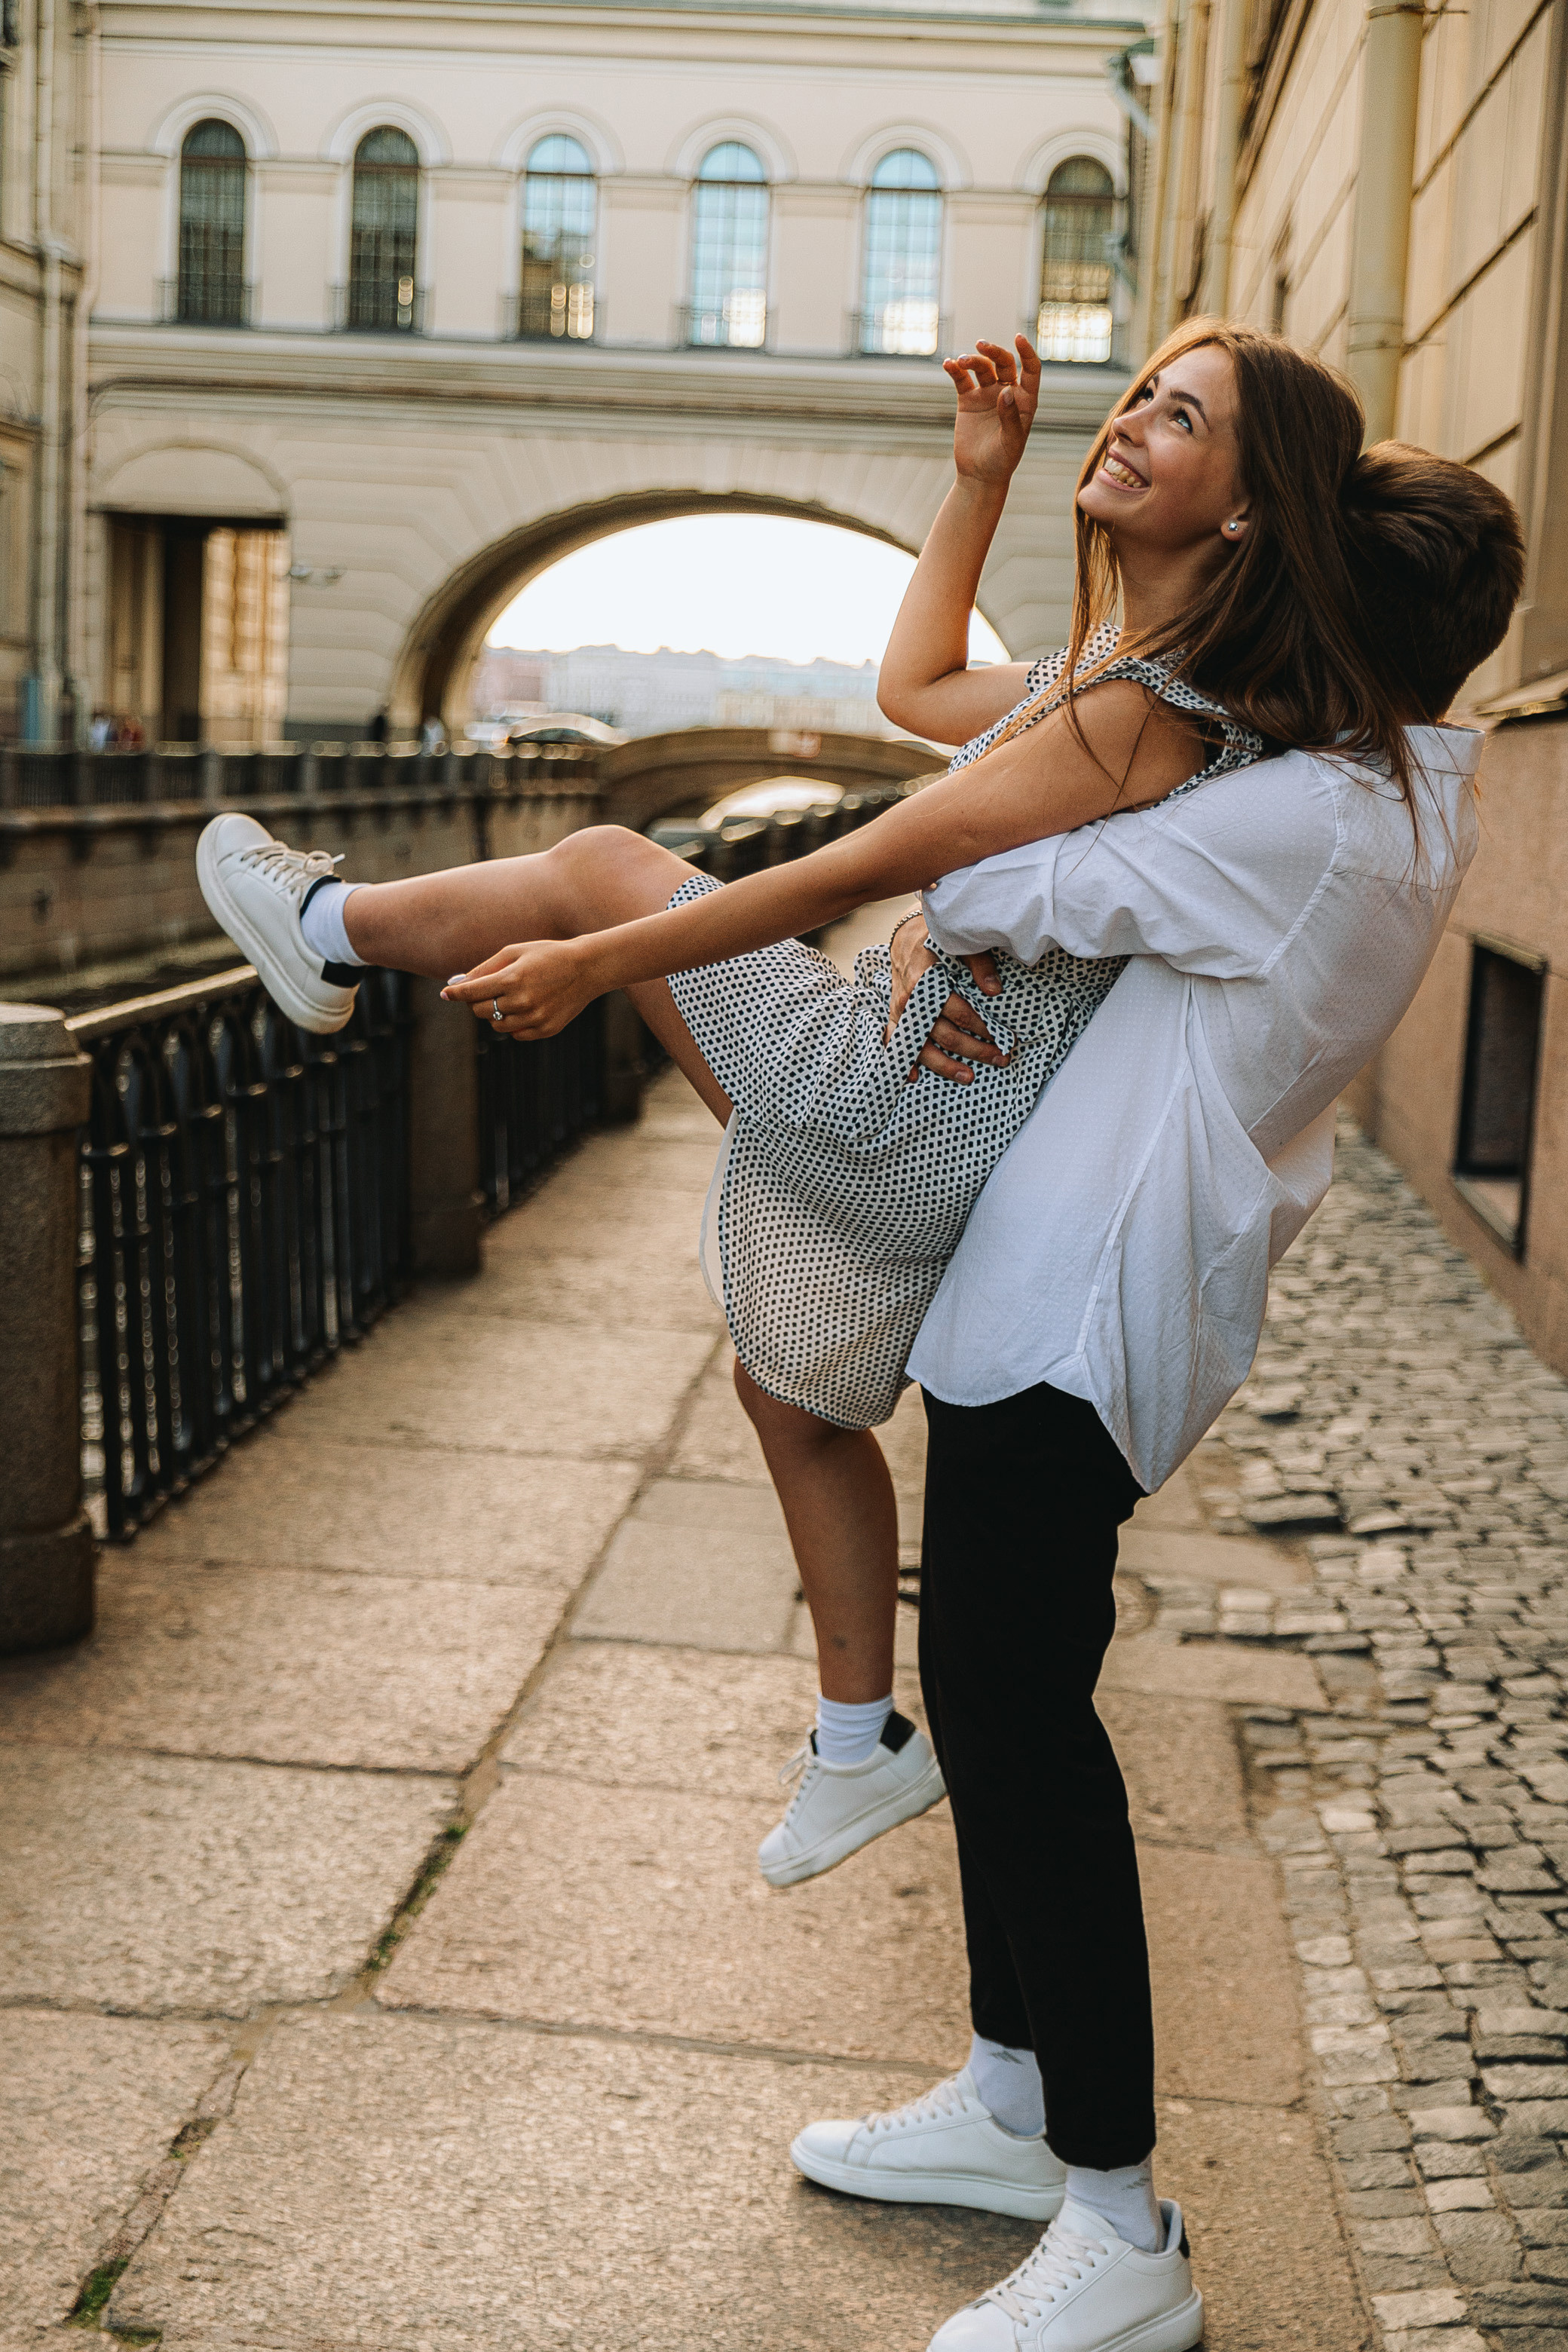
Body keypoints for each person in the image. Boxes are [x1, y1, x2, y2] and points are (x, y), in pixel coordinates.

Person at [194, 325, 1521, 2344]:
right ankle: (1011, 2095)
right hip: (1056, 1275)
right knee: (990, 1688)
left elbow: (948, 877)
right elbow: (962, 786)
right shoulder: (1360, 789)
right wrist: (1000, 559)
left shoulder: (1300, 815)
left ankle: (1122, 2228)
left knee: (1021, 1723)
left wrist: (611, 945)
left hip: (1086, 1296)